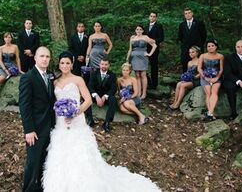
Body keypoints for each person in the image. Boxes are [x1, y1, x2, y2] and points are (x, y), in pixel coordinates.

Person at [42, 52, 160, 192]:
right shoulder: (54, 81)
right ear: (58, 64)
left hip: (76, 121)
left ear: (72, 64)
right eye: (62, 63)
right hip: (60, 122)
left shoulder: (78, 79)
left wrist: (75, 112)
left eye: (68, 63)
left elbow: (87, 100)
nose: (65, 65)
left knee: (80, 153)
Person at [19, 46, 56, 192]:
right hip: (35, 128)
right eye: (42, 56)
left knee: (45, 160)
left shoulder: (51, 75)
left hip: (52, 126)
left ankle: (41, 187)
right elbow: (24, 106)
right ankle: (28, 188)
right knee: (33, 162)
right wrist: (29, 129)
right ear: (35, 58)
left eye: (47, 56)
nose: (45, 59)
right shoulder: (28, 77)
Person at [126, 25, 157, 99]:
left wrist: (149, 54)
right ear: (135, 30)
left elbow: (154, 45)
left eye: (140, 29)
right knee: (137, 75)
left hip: (143, 57)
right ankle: (139, 92)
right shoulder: (132, 37)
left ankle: (144, 93)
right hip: (134, 58)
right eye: (137, 29)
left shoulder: (145, 37)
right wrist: (127, 59)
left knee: (143, 74)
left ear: (143, 31)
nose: (138, 31)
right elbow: (130, 49)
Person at [88, 58, 118, 132]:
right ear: (99, 64)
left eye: (106, 64)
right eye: (102, 64)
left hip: (106, 96)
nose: (104, 66)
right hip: (96, 96)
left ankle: (107, 122)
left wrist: (105, 96)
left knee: (113, 100)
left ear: (109, 65)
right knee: (86, 98)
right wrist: (96, 96)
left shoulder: (112, 75)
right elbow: (90, 86)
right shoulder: (94, 73)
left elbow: (113, 89)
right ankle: (90, 120)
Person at [197, 40, 224, 121]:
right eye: (208, 46)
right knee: (208, 93)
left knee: (214, 92)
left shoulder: (220, 56)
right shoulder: (202, 56)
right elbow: (199, 68)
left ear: (216, 47)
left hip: (216, 77)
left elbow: (221, 69)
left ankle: (210, 113)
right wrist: (205, 77)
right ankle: (211, 114)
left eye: (212, 46)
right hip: (205, 77)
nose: (210, 47)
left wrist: (217, 77)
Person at [169, 46, 201, 110]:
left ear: (197, 53)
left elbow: (201, 73)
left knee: (183, 85)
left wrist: (194, 77)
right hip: (189, 79)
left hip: (196, 80)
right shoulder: (189, 62)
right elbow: (187, 72)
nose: (191, 54)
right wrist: (185, 78)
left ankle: (178, 103)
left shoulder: (200, 61)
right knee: (179, 84)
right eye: (190, 52)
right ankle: (175, 101)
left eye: (193, 52)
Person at [178, 7, 207, 73]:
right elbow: (180, 37)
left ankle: (198, 81)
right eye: (186, 13)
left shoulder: (199, 23)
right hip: (185, 50)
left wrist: (199, 46)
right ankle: (186, 79)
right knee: (185, 66)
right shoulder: (182, 25)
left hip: (197, 48)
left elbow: (204, 35)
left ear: (192, 13)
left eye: (189, 13)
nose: (188, 15)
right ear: (184, 15)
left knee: (199, 66)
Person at [146, 12, 164, 89]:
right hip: (145, 49)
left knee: (154, 66)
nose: (152, 18)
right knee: (144, 67)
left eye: (154, 16)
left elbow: (161, 38)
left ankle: (154, 84)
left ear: (156, 18)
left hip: (154, 49)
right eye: (151, 16)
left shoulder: (159, 26)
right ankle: (148, 82)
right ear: (149, 17)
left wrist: (154, 41)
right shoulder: (146, 27)